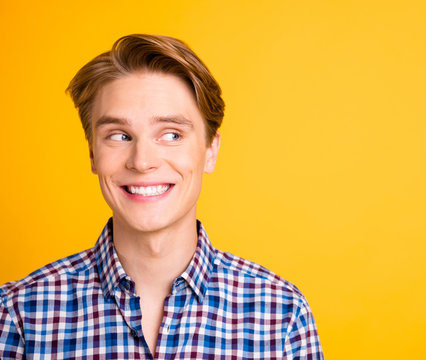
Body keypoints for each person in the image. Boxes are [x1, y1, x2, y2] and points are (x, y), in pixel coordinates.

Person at [0, 34, 323, 359]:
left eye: (171, 134)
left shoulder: (281, 316)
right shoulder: (18, 316)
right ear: (92, 155)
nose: (142, 161)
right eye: (119, 135)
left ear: (210, 151)